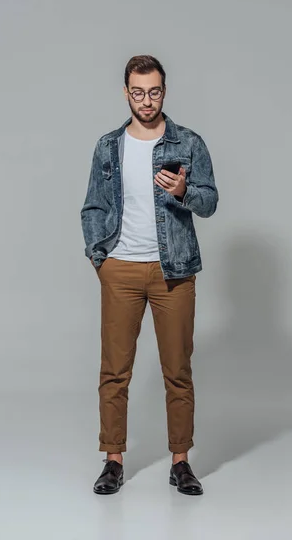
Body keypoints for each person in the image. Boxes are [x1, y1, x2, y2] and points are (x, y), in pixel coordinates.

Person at [80, 55, 218, 496]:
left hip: (173, 271)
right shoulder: (108, 146)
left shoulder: (188, 143)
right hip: (120, 270)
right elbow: (93, 207)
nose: (146, 100)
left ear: (164, 91)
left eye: (154, 91)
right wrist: (100, 259)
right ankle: (113, 460)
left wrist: (184, 191)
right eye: (137, 92)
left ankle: (181, 462)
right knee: (114, 370)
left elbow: (210, 201)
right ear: (126, 92)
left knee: (177, 369)